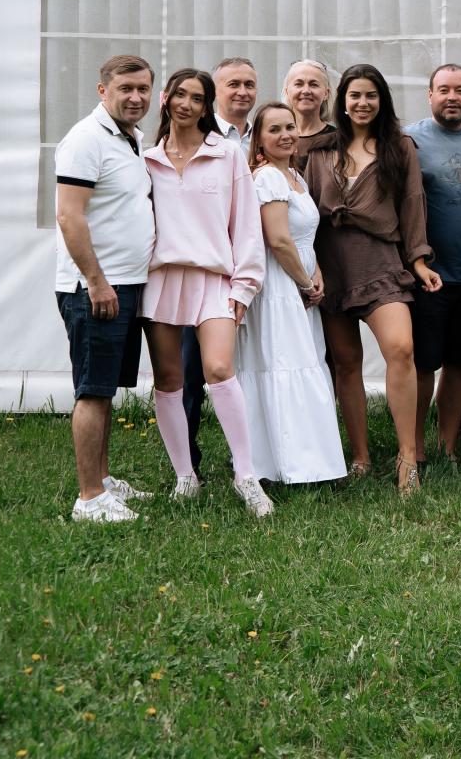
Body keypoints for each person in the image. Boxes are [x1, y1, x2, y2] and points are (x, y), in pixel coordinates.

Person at [140, 68, 273, 515]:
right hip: (161, 280)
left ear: (206, 107)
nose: (186, 104)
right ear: (165, 99)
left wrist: (245, 285)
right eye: (180, 95)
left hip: (215, 280)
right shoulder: (147, 160)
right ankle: (185, 477)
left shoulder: (227, 154)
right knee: (169, 380)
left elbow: (246, 224)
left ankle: (246, 476)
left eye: (197, 98)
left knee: (218, 369)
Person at [307, 63, 440, 494]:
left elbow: (413, 203)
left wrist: (418, 260)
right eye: (355, 96)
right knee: (346, 362)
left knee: (401, 349)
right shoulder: (321, 150)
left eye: (371, 95)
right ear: (342, 102)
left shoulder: (399, 147)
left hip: (381, 262)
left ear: (382, 100)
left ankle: (407, 458)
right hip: (331, 265)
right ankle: (360, 456)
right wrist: (307, 267)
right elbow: (304, 209)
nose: (362, 103)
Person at [53, 54, 157, 523]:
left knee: (106, 388)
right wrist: (96, 282)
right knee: (93, 390)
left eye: (143, 89)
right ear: (103, 90)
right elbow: (69, 216)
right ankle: (89, 498)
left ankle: (104, 479)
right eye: (125, 89)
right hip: (95, 288)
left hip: (125, 285)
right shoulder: (86, 139)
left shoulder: (131, 138)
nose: (135, 97)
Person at [237, 103, 348, 485]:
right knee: (283, 367)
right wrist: (304, 282)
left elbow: (304, 237)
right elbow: (279, 240)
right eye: (275, 129)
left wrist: (316, 272)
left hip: (301, 279)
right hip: (279, 286)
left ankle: (312, 461)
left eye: (290, 127)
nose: (285, 135)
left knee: (305, 364)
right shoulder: (268, 177)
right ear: (259, 140)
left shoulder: (295, 175)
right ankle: (283, 465)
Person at [403, 64, 461, 464]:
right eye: (443, 90)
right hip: (429, 276)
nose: (452, 97)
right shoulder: (410, 140)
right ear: (430, 95)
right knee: (424, 364)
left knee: (460, 364)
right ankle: (415, 448)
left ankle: (448, 446)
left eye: (460, 90)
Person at [177, 54, 262, 479]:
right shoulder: (204, 139)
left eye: (249, 84)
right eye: (233, 84)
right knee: (191, 371)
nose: (242, 92)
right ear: (215, 94)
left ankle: (251, 459)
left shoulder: (268, 133)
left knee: (248, 368)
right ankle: (187, 464)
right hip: (206, 271)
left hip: (255, 266)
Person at [283, 59, 335, 168]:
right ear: (287, 92)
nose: (306, 91)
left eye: (314, 85)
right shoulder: (276, 137)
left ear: (326, 93)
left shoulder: (337, 140)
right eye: (298, 84)